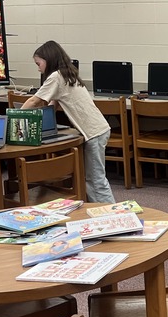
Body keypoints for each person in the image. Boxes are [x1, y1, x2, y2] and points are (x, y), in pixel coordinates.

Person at [20, 41, 115, 203]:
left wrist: (13, 119)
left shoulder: (56, 77)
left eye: (38, 63)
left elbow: (34, 101)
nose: (38, 68)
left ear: (47, 60)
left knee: (95, 181)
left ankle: (113, 217)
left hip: (93, 133)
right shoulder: (67, 74)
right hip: (98, 129)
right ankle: (101, 214)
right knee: (92, 180)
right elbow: (52, 104)